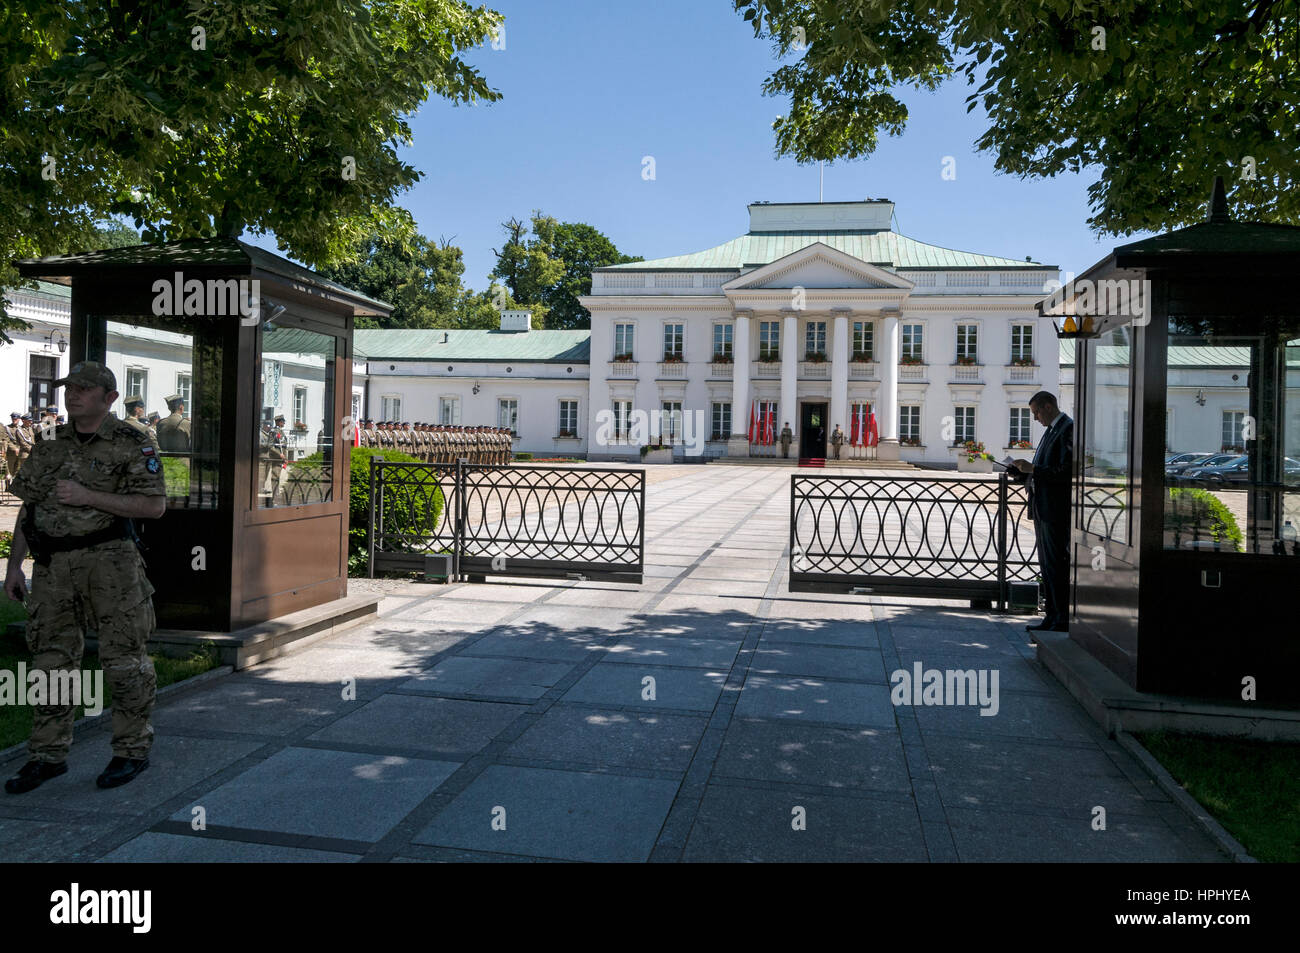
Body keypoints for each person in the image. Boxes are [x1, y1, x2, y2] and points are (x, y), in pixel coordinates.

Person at [3, 361, 165, 793]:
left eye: (83, 388)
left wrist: (88, 495)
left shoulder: (134, 442)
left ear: (109, 398)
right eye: (68, 387)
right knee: (50, 660)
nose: (72, 395)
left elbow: (153, 507)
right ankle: (47, 755)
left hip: (110, 564)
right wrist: (14, 565)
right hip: (53, 568)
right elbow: (28, 506)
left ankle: (131, 750)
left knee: (123, 659)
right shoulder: (49, 439)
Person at [1011, 391, 1074, 637]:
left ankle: (1060, 617)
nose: (1035, 418)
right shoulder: (1051, 431)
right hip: (1042, 507)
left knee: (1056, 564)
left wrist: (1034, 469)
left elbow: (1065, 471)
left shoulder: (1067, 429)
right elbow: (1044, 471)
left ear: (1048, 407)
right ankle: (1051, 615)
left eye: (1036, 412)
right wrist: (1022, 473)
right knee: (1047, 565)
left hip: (1055, 509)